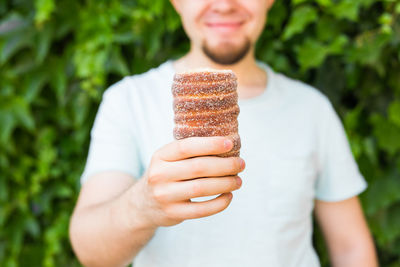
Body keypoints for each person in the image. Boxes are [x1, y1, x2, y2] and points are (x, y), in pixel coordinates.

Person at [69, 0, 378, 266]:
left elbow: (351, 248)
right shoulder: (129, 101)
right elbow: (91, 252)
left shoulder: (313, 109)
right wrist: (143, 205)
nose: (225, 5)